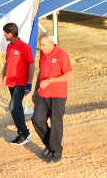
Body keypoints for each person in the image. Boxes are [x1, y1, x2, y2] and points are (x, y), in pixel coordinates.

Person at [32, 35, 72, 163]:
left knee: (56, 123)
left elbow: (69, 76)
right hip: (43, 94)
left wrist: (50, 80)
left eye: (44, 45)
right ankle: (51, 145)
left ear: (52, 43)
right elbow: (41, 72)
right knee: (37, 120)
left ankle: (56, 152)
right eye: (40, 45)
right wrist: (35, 91)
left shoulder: (62, 55)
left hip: (58, 95)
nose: (41, 48)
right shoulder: (43, 55)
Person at [0, 22, 34, 146]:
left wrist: (29, 84)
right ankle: (22, 133)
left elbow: (31, 65)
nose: (4, 35)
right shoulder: (9, 47)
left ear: (11, 33)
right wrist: (2, 76)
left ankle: (24, 133)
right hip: (11, 82)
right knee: (17, 108)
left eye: (5, 33)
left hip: (21, 82)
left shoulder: (24, 47)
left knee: (13, 107)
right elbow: (8, 63)